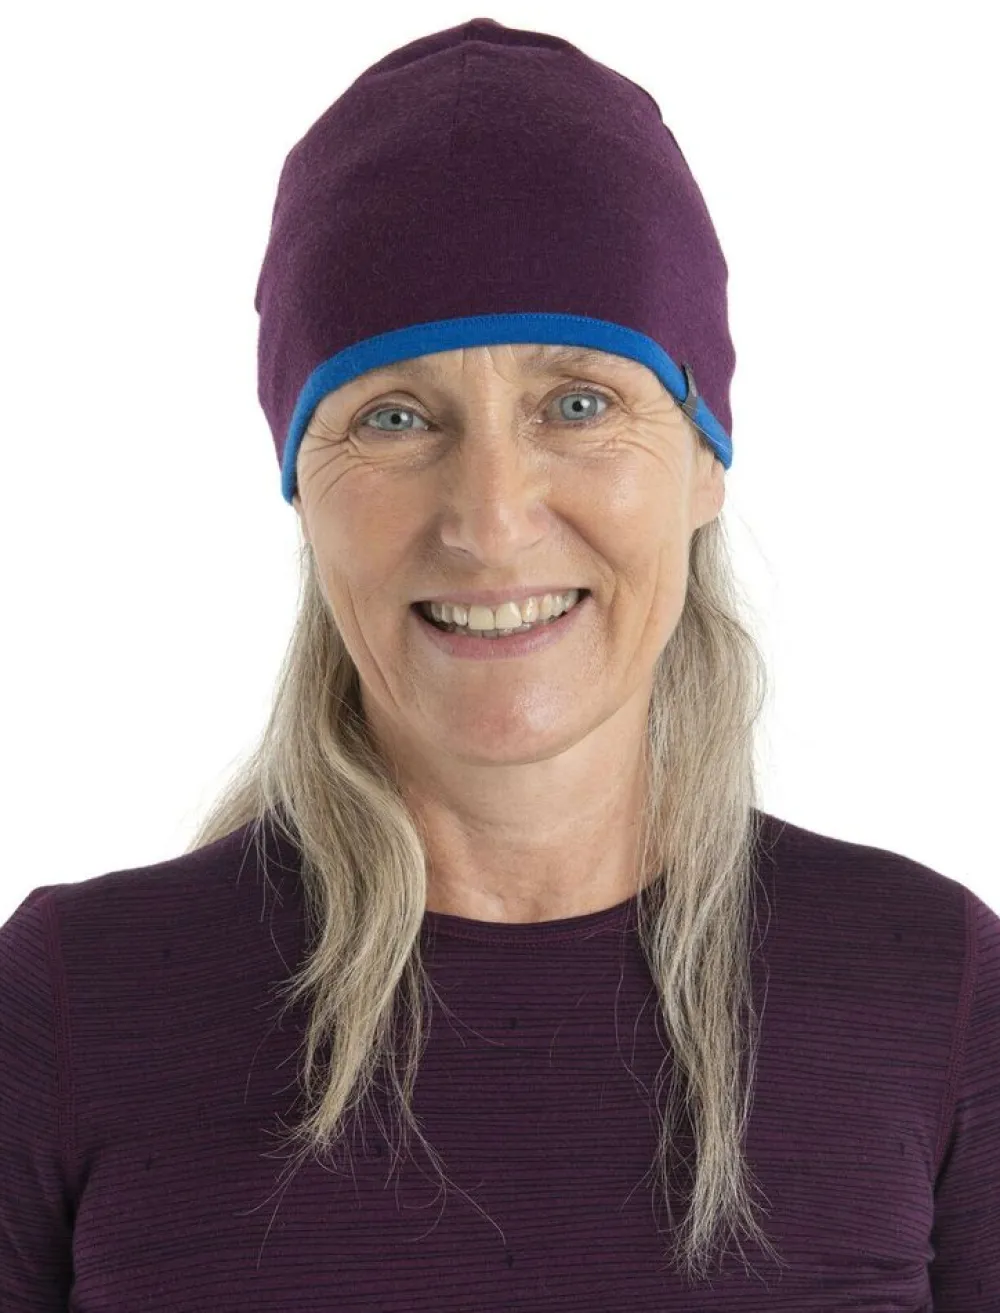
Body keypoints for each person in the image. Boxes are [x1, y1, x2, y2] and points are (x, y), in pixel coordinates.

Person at [2, 17, 997, 1309]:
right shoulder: (70, 1010)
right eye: (394, 416)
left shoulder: (931, 994)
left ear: (704, 458)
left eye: (578, 403)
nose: (490, 520)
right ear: (302, 486)